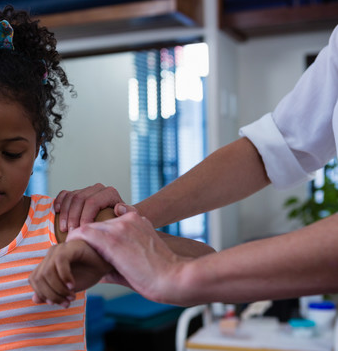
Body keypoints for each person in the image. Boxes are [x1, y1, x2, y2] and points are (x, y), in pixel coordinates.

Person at [0, 5, 212, 350]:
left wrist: (109, 242)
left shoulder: (67, 226)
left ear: (36, 148)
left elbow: (208, 267)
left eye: (11, 153)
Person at [31, 25, 338, 308]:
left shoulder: (55, 225)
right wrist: (127, 222)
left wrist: (179, 275)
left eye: (12, 152)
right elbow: (273, 148)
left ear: (38, 144)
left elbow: (204, 256)